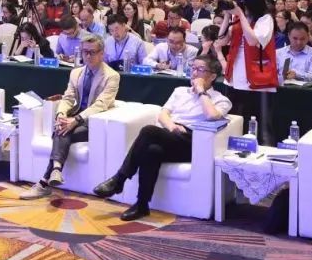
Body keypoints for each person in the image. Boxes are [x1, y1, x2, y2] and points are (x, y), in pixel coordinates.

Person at [93, 55, 232, 221]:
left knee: (148, 131)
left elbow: (211, 115)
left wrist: (201, 91)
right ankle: (142, 205)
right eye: (193, 68)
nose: (194, 73)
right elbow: (163, 114)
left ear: (212, 76)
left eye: (200, 70)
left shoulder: (221, 100)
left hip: (193, 142)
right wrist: (172, 127)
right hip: (171, 134)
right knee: (152, 151)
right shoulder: (180, 91)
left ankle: (119, 179)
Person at [20, 35, 119, 199]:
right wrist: (61, 114)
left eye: (92, 52)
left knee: (61, 131)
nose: (88, 56)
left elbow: (100, 105)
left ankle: (45, 182)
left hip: (94, 122)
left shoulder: (112, 76)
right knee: (62, 127)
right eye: (85, 52)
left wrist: (76, 120)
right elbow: (68, 98)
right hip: (75, 117)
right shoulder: (76, 73)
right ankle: (55, 171)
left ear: (102, 53)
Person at [217, 0, 276, 144]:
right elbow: (222, 40)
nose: (239, 4)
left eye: (242, 0)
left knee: (259, 122)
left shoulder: (265, 19)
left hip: (257, 77)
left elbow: (252, 41)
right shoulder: (236, 18)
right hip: (235, 74)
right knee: (236, 120)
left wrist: (241, 16)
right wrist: (227, 16)